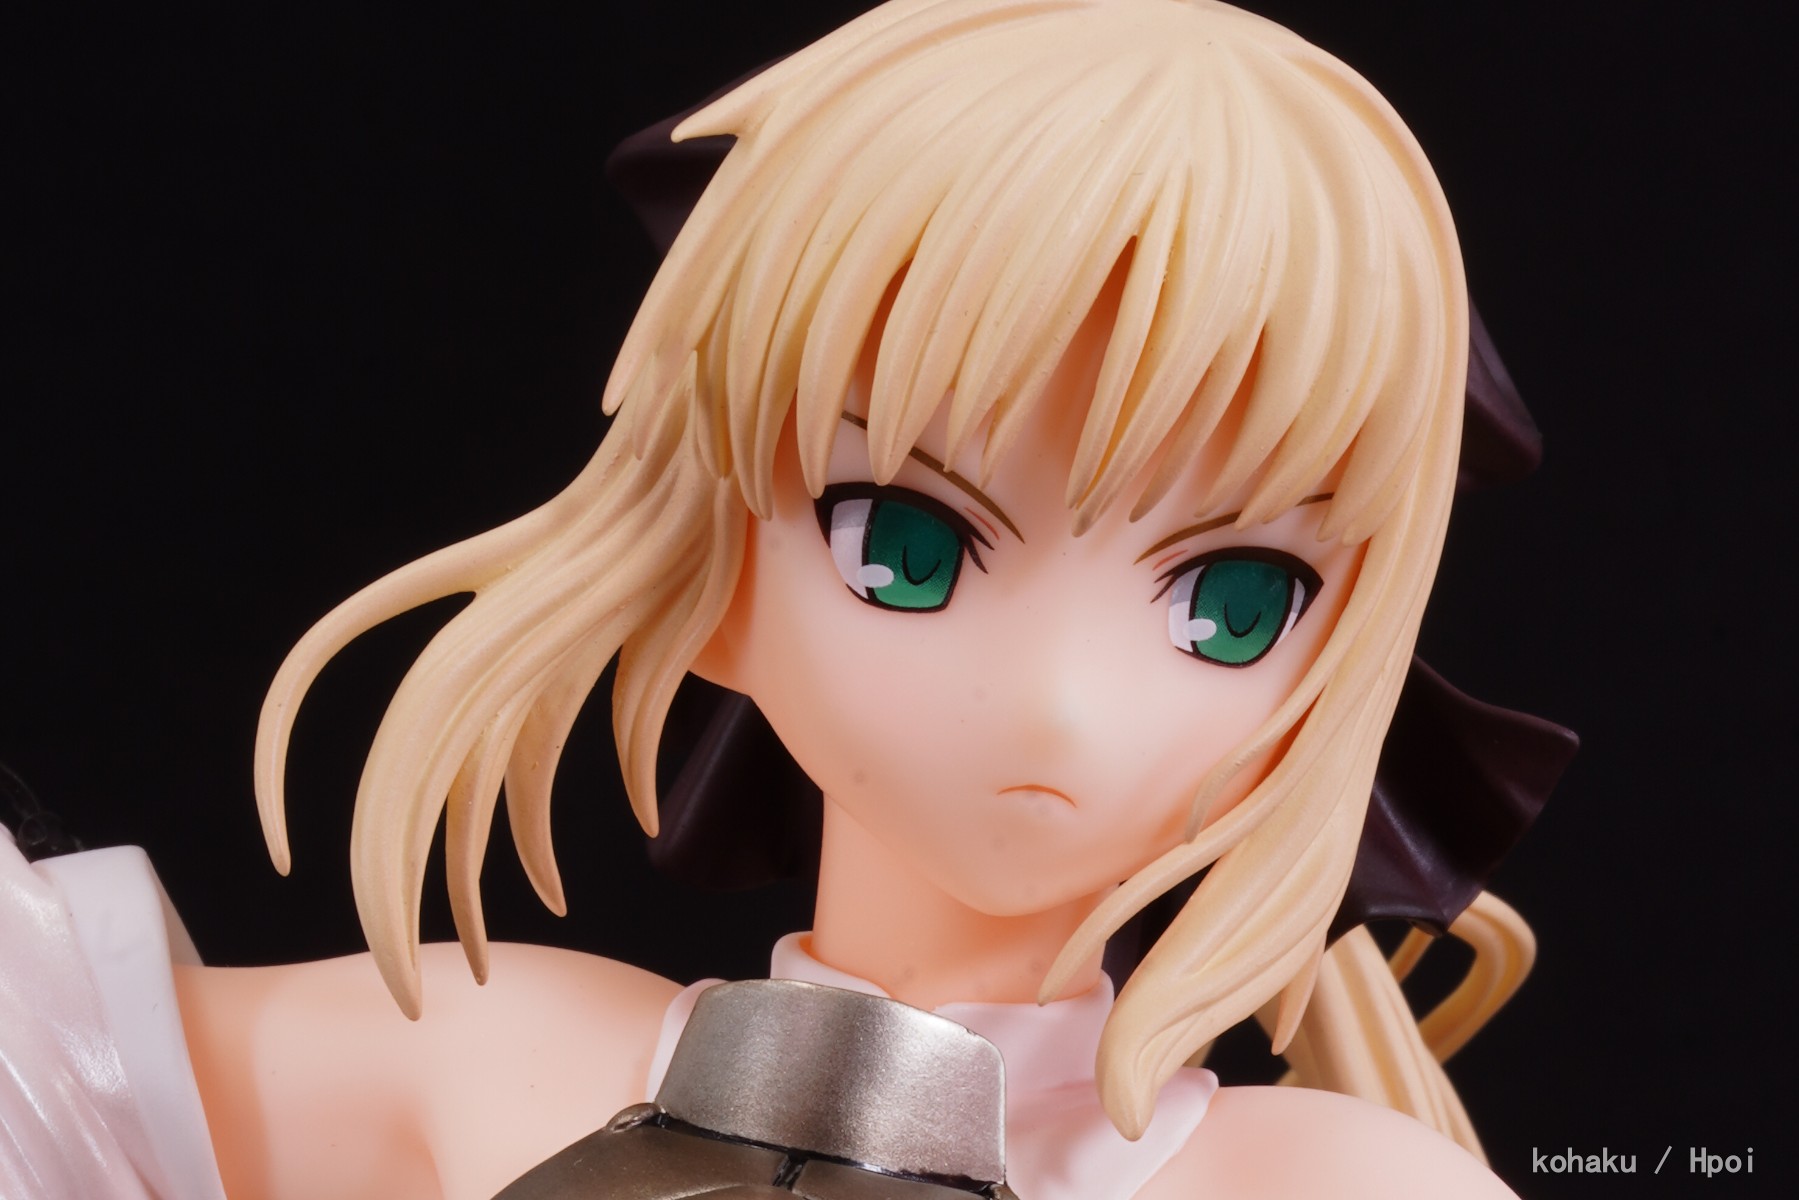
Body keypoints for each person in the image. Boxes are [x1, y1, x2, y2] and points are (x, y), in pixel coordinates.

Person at [10, 1, 1550, 1196]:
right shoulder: (486, 1067)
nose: (1058, 701)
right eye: (909, 550)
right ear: (716, 569)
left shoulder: (1335, 1185)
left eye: (1231, 603)